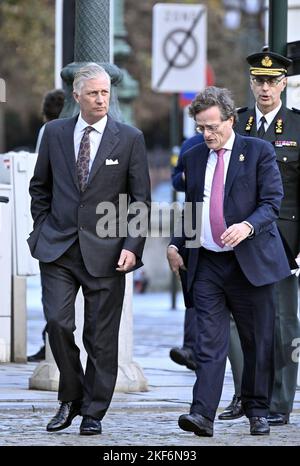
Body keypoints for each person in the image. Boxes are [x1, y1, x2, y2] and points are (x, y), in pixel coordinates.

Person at [28, 63, 151, 435]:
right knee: (57, 323)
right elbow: (40, 187)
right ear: (77, 96)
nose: (101, 99)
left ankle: (94, 411)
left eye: (105, 94)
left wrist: (132, 246)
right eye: (94, 93)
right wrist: (42, 227)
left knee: (99, 338)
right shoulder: (54, 133)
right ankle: (71, 396)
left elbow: (140, 201)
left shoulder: (129, 138)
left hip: (108, 253)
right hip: (58, 248)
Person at [167, 86, 291, 437]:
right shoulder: (193, 157)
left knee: (256, 341)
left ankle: (257, 409)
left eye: (213, 127)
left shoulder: (258, 152)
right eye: (201, 128)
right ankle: (202, 414)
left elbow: (272, 203)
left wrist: (248, 225)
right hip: (206, 262)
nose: (207, 135)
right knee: (208, 342)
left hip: (249, 262)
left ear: (230, 120)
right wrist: (177, 244)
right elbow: (192, 210)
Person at [219, 51, 300, 426]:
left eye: (273, 81)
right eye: (259, 81)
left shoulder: (297, 127)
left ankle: (279, 402)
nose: (265, 87)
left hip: (282, 239)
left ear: (284, 83)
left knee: (283, 323)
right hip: (235, 237)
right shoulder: (236, 124)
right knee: (235, 323)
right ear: (251, 83)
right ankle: (248, 395)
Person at [27, 88, 65, 363]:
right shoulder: (54, 133)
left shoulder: (47, 132)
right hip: (52, 229)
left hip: (54, 228)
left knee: (53, 303)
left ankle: (47, 343)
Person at [169, 133, 203, 371]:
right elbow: (176, 180)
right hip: (195, 217)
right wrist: (185, 176)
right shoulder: (191, 145)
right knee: (193, 286)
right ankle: (191, 348)